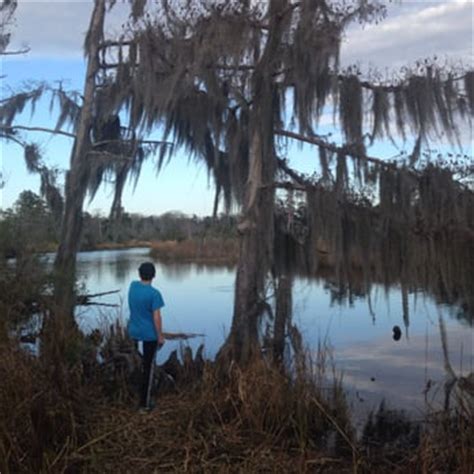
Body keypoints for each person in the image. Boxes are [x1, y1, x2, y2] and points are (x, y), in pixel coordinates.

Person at [128, 262, 165, 411]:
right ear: (154, 276)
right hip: (149, 335)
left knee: (137, 363)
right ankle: (144, 405)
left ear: (139, 274)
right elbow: (157, 318)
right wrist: (160, 336)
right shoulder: (154, 294)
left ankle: (135, 392)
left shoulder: (133, 286)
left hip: (133, 332)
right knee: (148, 369)